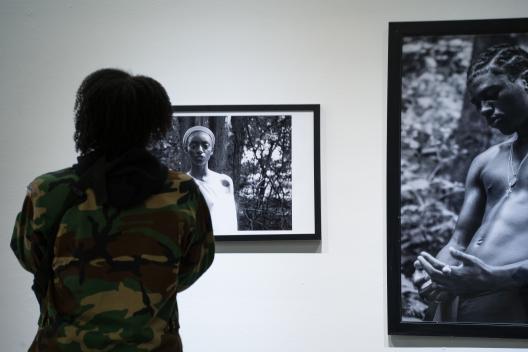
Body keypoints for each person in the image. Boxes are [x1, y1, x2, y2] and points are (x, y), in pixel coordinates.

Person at [10, 68, 215, 351]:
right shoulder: (181, 192)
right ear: (153, 123)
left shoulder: (48, 191)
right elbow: (194, 265)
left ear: (88, 120)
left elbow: (28, 257)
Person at [414, 44, 528, 323]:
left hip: (513, 304)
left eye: (492, 95)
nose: (485, 110)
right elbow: (459, 240)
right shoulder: (486, 161)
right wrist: (437, 273)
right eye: (478, 104)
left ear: (525, 80)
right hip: (455, 307)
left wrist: (495, 279)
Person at [183, 126, 238, 235]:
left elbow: (231, 219)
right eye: (193, 146)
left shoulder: (225, 182)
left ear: (212, 150)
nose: (199, 150)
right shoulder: (182, 183)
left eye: (205, 146)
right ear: (186, 149)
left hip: (223, 242)